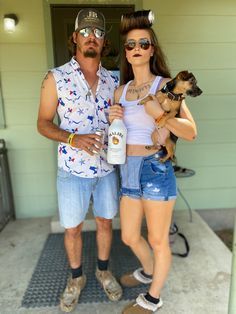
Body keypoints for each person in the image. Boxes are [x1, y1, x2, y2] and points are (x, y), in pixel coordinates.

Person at [109, 10, 197, 314]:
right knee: (130, 235)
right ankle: (148, 270)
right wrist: (114, 120)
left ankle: (154, 298)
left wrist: (159, 116)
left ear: (152, 49)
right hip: (128, 170)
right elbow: (119, 134)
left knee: (158, 240)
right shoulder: (119, 91)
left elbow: (191, 132)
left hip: (154, 168)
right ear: (126, 52)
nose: (136, 49)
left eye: (143, 43)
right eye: (131, 44)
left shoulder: (166, 86)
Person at [37, 8, 122, 313]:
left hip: (106, 169)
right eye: (85, 32)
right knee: (72, 228)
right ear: (74, 38)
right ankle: (76, 279)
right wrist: (73, 139)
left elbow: (122, 123)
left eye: (98, 33)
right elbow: (43, 123)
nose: (91, 38)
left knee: (104, 221)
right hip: (72, 171)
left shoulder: (114, 81)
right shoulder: (55, 77)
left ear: (104, 42)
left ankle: (102, 270)